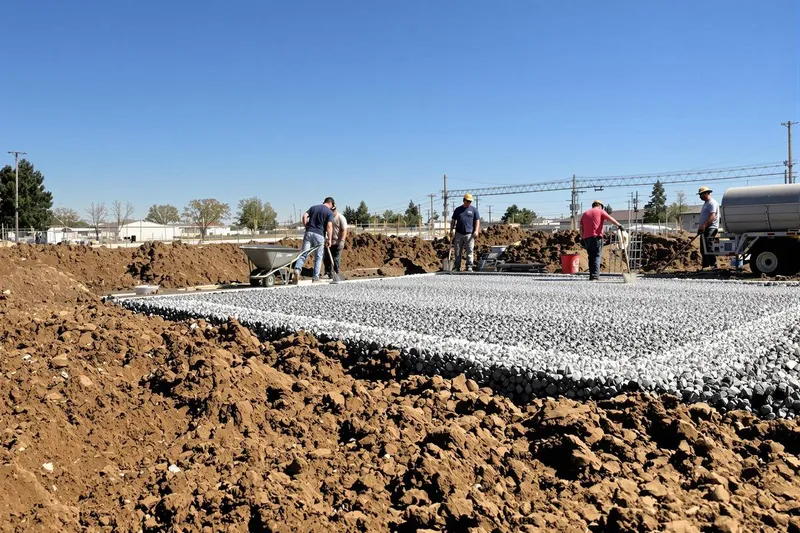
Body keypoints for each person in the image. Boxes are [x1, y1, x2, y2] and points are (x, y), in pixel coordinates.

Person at [293, 197, 334, 283]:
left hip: (308, 233)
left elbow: (304, 216)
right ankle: (315, 278)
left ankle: (297, 270)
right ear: (330, 204)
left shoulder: (313, 207)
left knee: (303, 253)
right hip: (319, 235)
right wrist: (329, 239)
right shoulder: (329, 212)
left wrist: (306, 226)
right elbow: (329, 226)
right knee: (318, 257)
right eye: (332, 206)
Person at [579, 200, 624, 281]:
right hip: (596, 237)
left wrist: (582, 238)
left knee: (591, 256)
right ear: (600, 206)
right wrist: (619, 225)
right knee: (596, 255)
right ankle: (595, 276)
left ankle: (591, 275)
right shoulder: (600, 211)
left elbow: (581, 226)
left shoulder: (585, 213)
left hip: (586, 238)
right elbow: (610, 218)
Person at [449, 193, 481, 271]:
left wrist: (476, 231)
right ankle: (457, 266)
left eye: (470, 201)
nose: (469, 203)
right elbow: (453, 220)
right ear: (464, 200)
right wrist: (451, 230)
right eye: (468, 201)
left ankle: (469, 266)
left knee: (470, 250)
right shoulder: (458, 210)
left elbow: (477, 221)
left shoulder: (474, 210)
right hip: (458, 233)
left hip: (469, 234)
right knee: (457, 250)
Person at [696, 186, 719, 270]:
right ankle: (705, 265)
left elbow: (713, 215)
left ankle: (713, 264)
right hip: (705, 228)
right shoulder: (706, 203)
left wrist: (704, 225)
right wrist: (701, 227)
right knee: (703, 248)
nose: (700, 197)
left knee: (708, 246)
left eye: (701, 195)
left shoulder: (712, 203)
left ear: (706, 193)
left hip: (710, 228)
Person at [323, 203, 348, 277]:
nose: (333, 212)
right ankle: (327, 273)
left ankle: (336, 273)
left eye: (334, 210)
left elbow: (344, 230)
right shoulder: (327, 218)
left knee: (336, 259)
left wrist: (342, 241)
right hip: (328, 242)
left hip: (337, 242)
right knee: (326, 258)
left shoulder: (341, 217)